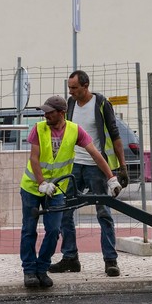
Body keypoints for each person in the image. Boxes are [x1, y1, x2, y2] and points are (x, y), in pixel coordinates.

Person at [19, 95, 122, 289]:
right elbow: (34, 158)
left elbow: (95, 154)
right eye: (45, 111)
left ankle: (42, 268)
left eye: (49, 112)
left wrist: (111, 178)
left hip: (56, 190)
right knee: (28, 230)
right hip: (32, 187)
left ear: (61, 113)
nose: (45, 115)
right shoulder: (38, 129)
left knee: (54, 230)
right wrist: (41, 183)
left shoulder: (75, 131)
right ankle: (29, 271)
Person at [49, 70, 130, 277]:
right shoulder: (71, 104)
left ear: (86, 86)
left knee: (103, 212)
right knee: (65, 210)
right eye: (69, 88)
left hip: (96, 167)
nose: (71, 91)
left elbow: (115, 134)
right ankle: (70, 258)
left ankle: (110, 260)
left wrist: (122, 167)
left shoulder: (101, 104)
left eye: (74, 88)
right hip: (74, 166)